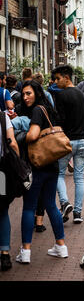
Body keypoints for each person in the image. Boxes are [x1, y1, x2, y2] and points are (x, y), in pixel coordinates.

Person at [15, 80, 68, 264]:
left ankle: (25, 251)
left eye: (28, 93)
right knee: (51, 205)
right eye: (23, 94)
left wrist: (20, 136)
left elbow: (33, 135)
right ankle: (61, 247)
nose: (25, 97)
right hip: (52, 165)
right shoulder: (48, 110)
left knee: (29, 207)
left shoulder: (37, 110)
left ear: (37, 93)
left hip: (37, 166)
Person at [53, 65, 84, 224]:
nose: (55, 82)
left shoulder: (61, 96)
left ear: (66, 77)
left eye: (57, 78)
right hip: (82, 141)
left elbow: (59, 120)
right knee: (79, 178)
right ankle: (78, 213)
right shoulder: (82, 95)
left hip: (67, 141)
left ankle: (65, 203)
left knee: (59, 174)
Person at [0, 112, 20, 271]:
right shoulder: (2, 116)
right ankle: (5, 254)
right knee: (3, 211)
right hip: (0, 173)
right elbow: (12, 142)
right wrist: (18, 164)